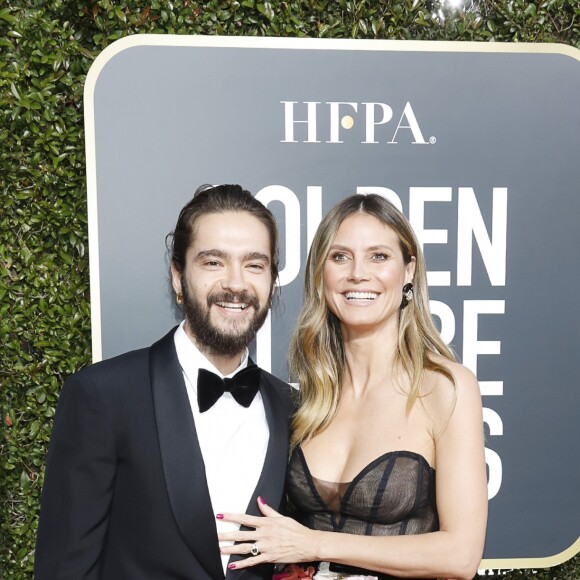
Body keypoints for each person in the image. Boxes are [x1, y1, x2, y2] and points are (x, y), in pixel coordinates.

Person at [218, 194, 488, 580]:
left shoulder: (445, 387)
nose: (358, 273)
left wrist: (315, 543)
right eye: (340, 256)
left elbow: (460, 556)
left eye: (379, 256)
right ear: (320, 273)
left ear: (409, 270)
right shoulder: (306, 396)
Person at [35, 184, 294, 580]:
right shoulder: (104, 396)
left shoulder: (289, 406)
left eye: (255, 265)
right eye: (213, 262)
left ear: (272, 279)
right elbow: (64, 569)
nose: (237, 283)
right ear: (177, 277)